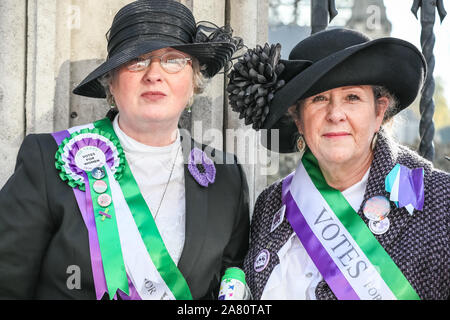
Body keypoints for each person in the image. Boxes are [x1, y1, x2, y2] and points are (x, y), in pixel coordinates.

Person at [0, 0, 249, 300]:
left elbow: (230, 286)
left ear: (194, 81)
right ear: (111, 83)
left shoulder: (227, 176)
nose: (154, 74)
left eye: (173, 60)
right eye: (137, 60)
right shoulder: (46, 160)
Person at [227, 28, 449, 300]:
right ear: (298, 118)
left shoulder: (440, 200)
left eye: (352, 97)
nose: (335, 114)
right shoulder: (271, 203)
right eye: (319, 99)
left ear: (379, 111)